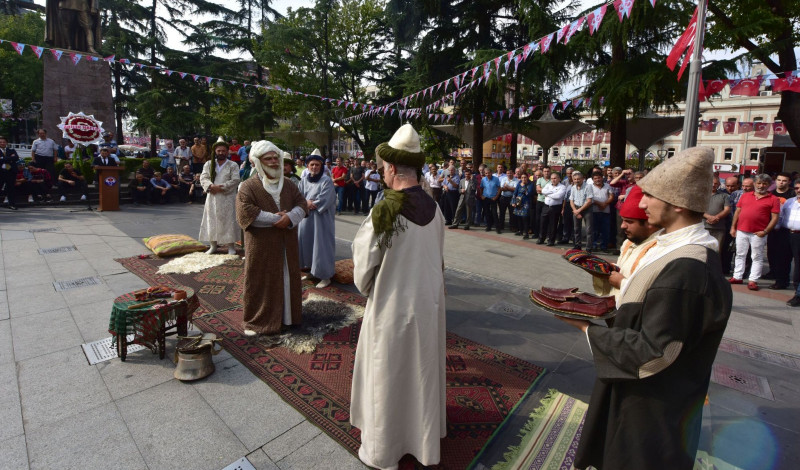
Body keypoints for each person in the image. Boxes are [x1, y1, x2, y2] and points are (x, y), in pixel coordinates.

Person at [558, 147, 732, 470]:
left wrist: (587, 328)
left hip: (654, 409)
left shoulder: (688, 269)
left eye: (649, 195)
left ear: (677, 204)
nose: (641, 203)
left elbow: (656, 352)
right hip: (645, 397)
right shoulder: (671, 249)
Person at [351, 124, 446, 470]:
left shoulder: (385, 211)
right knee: (420, 373)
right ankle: (422, 440)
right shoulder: (435, 210)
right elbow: (439, 259)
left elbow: (363, 270)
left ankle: (383, 450)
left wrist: (369, 286)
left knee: (388, 374)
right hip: (427, 306)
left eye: (382, 169)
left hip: (391, 308)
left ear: (392, 169)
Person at [236, 140, 308, 336]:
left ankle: (288, 318)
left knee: (287, 277)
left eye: (276, 157)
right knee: (260, 280)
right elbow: (245, 213)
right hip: (261, 245)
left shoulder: (289, 185)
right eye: (268, 158)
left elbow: (302, 204)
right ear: (258, 162)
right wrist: (276, 219)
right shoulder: (247, 186)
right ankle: (256, 321)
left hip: (287, 244)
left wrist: (290, 217)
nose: (274, 162)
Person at [594, 185, 660, 300]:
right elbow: (621, 270)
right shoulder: (628, 243)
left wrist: (622, 283)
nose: (622, 226)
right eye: (623, 220)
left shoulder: (660, 248)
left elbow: (651, 292)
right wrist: (606, 270)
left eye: (629, 221)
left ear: (650, 223)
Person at [730, 174, 779, 290]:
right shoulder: (745, 196)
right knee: (740, 254)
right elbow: (737, 212)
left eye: (764, 184)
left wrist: (765, 231)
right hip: (742, 230)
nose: (761, 186)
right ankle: (737, 276)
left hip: (759, 233)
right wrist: (733, 227)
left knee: (756, 256)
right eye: (759, 183)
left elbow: (775, 218)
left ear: (768, 185)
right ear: (755, 184)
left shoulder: (773, 199)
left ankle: (753, 280)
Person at [298, 153, 336, 288]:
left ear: (321, 166)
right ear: (307, 166)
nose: (314, 167)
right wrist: (305, 203)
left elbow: (326, 198)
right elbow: (298, 197)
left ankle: (326, 276)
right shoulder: (303, 181)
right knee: (308, 244)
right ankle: (312, 271)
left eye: (317, 165)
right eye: (312, 164)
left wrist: (308, 203)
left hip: (321, 219)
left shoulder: (326, 181)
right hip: (306, 219)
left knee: (321, 246)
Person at [199, 137, 241, 255]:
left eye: (223, 151)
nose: (221, 153)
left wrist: (221, 187)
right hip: (212, 196)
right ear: (215, 152)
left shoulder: (233, 165)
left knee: (229, 221)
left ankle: (231, 246)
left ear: (227, 152)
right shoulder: (208, 164)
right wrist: (211, 186)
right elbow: (203, 177)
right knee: (211, 220)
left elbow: (235, 179)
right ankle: (213, 245)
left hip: (228, 197)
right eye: (219, 151)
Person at [767, 172, 795, 290]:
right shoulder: (771, 194)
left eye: (784, 180)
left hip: (785, 230)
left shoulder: (792, 195)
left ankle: (783, 280)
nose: (781, 182)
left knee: (783, 256)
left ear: (789, 182)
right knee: (771, 252)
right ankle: (773, 272)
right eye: (779, 180)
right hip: (771, 228)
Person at [781, 180, 800, 306]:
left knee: (799, 266)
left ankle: (798, 294)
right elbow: (782, 217)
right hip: (787, 234)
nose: (799, 190)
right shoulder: (790, 202)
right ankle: (782, 281)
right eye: (797, 188)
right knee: (784, 260)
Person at [703, 177, 731, 255]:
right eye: (711, 183)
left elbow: (727, 209)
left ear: (719, 184)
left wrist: (716, 217)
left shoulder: (724, 196)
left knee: (716, 252)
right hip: (703, 227)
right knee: (702, 251)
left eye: (715, 183)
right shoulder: (702, 195)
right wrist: (708, 217)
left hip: (719, 228)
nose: (713, 185)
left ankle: (714, 267)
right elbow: (698, 209)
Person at [589, 171, 615, 252]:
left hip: (606, 211)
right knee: (594, 230)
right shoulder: (589, 187)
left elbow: (611, 196)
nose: (597, 180)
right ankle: (594, 245)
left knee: (605, 230)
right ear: (592, 179)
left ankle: (604, 246)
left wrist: (605, 204)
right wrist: (600, 204)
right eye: (595, 178)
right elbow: (590, 198)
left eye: (599, 178)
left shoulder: (607, 186)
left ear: (602, 178)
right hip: (594, 211)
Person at [539, 172, 566, 246]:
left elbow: (558, 196)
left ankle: (551, 240)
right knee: (543, 223)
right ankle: (541, 239)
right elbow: (543, 191)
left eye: (555, 178)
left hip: (555, 208)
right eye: (552, 178)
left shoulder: (562, 187)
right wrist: (552, 192)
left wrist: (547, 194)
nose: (553, 180)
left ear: (559, 179)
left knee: (553, 224)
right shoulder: (548, 185)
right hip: (546, 206)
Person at [569, 171, 593, 249]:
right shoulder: (573, 187)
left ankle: (588, 247)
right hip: (576, 208)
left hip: (586, 209)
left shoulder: (588, 186)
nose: (576, 181)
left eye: (578, 179)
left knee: (588, 229)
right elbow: (571, 200)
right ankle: (577, 245)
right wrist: (575, 210)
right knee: (576, 228)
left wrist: (579, 211)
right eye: (575, 179)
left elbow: (589, 201)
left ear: (583, 179)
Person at [0, 136, 20, 210]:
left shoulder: (11, 150)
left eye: (4, 142)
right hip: (1, 172)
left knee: (11, 188)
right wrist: (9, 158)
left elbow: (16, 158)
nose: (2, 143)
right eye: (1, 142)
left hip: (10, 172)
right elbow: (11, 158)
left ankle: (11, 204)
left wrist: (3, 159)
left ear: (6, 143)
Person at [511, 172, 533, 239]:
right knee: (519, 217)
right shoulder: (519, 183)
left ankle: (526, 233)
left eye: (525, 177)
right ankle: (520, 231)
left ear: (527, 177)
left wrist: (525, 187)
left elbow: (529, 193)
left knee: (525, 218)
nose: (523, 179)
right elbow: (515, 193)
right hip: (518, 202)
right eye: (522, 177)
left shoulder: (530, 184)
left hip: (526, 203)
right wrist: (513, 202)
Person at [480, 167, 501, 232]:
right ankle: (489, 226)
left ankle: (497, 228)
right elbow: (481, 188)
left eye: (489, 173)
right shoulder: (483, 179)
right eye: (486, 173)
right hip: (486, 198)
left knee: (494, 213)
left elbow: (499, 188)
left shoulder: (496, 179)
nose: (487, 174)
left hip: (493, 198)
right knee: (487, 213)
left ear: (491, 173)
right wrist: (481, 195)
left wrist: (497, 196)